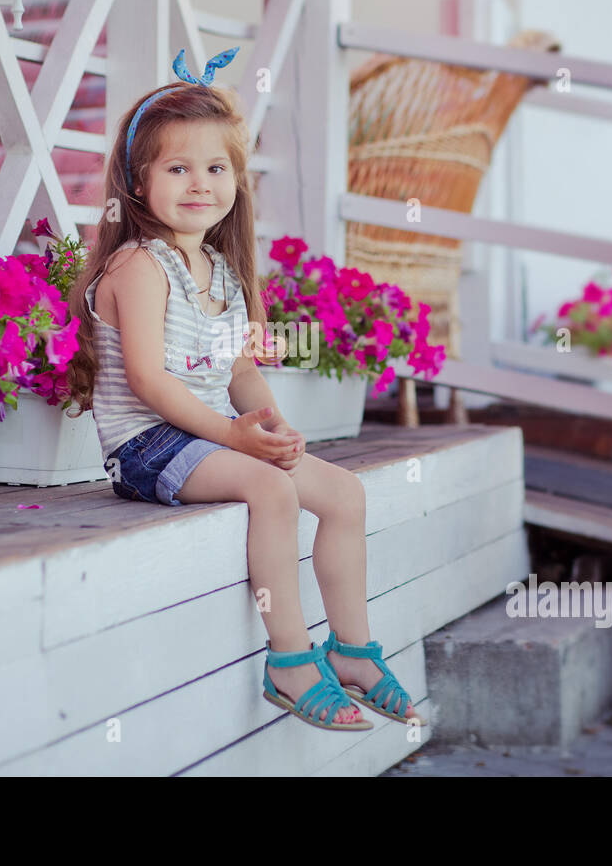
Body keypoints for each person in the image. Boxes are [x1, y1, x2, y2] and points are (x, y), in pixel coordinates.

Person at [65, 48, 423, 732]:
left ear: (236, 178)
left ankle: (351, 650)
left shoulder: (224, 273)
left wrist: (268, 424)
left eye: (215, 167)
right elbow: (148, 378)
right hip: (147, 445)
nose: (199, 183)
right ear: (137, 183)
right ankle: (290, 659)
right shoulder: (140, 266)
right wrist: (234, 437)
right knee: (273, 489)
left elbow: (238, 371)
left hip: (210, 435)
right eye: (177, 167)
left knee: (344, 494)